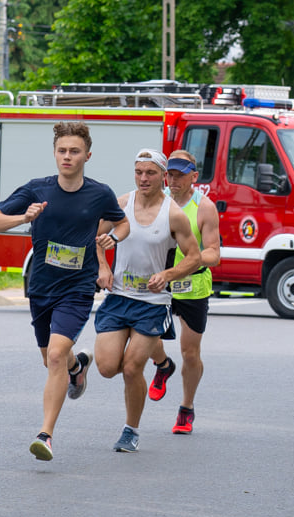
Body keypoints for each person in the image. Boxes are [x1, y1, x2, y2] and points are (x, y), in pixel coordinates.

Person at [0, 121, 129, 462]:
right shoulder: (36, 190)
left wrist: (115, 237)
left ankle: (45, 435)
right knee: (52, 358)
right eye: (62, 151)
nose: (67, 156)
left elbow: (121, 221)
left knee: (54, 357)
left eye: (74, 151)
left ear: (87, 156)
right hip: (42, 287)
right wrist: (25, 216)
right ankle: (77, 368)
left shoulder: (100, 193)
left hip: (78, 289)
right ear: (54, 154)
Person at [93, 149, 201, 453]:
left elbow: (194, 257)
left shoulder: (173, 214)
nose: (143, 178)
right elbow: (95, 234)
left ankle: (131, 430)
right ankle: (159, 365)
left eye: (150, 173)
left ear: (163, 176)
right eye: (139, 171)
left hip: (152, 303)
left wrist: (167, 274)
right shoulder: (122, 204)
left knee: (131, 368)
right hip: (118, 296)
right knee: (106, 367)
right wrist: (103, 266)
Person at [147, 150, 221, 434]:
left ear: (194, 176)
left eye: (179, 174)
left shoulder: (205, 208)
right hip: (158, 283)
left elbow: (214, 253)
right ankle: (163, 365)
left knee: (190, 353)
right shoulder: (156, 202)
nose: (173, 180)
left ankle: (186, 407)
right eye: (170, 174)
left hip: (193, 285)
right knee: (145, 337)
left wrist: (190, 262)